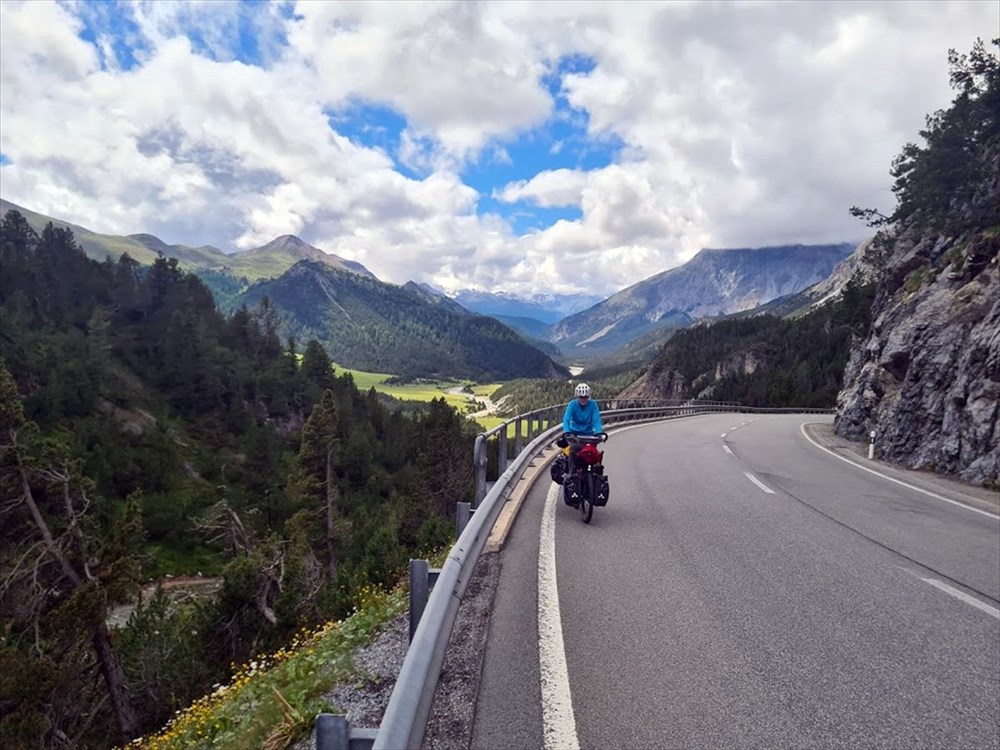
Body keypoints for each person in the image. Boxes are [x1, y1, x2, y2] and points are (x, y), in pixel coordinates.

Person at [560, 383, 603, 504]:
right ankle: (571, 474)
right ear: (577, 396)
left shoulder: (593, 404)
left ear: (588, 396)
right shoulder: (572, 405)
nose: (583, 400)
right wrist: (567, 432)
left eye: (585, 397)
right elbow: (567, 419)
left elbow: (596, 420)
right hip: (574, 434)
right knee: (573, 449)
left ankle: (595, 476)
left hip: (589, 434)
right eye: (581, 397)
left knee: (593, 454)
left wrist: (599, 433)